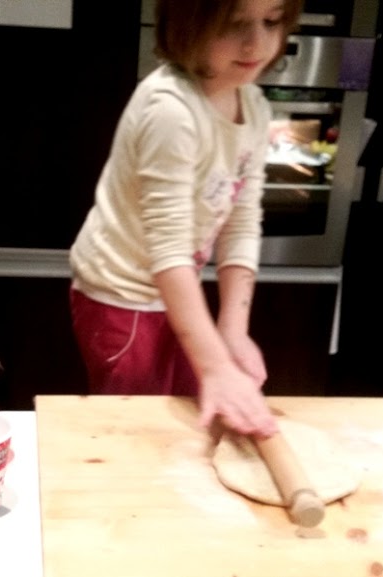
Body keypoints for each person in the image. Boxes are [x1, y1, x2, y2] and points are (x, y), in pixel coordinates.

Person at [68, 0, 303, 439]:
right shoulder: (171, 110)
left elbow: (242, 220)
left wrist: (233, 330)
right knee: (139, 433)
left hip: (174, 290)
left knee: (186, 423)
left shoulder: (254, 107)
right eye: (234, 23)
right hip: (121, 298)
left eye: (271, 21)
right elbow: (169, 250)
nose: (256, 42)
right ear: (187, 24)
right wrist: (215, 365)